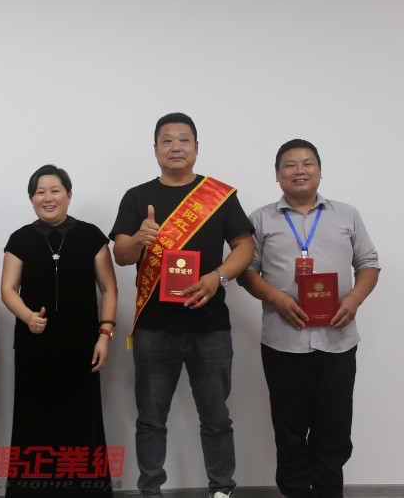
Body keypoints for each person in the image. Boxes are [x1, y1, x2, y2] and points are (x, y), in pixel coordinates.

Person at [109, 113, 254, 498]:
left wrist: (217, 277)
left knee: (217, 417)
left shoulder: (219, 195)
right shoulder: (136, 197)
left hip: (210, 326)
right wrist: (138, 239)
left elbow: (245, 246)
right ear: (155, 149)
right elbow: (120, 255)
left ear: (196, 147)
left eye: (184, 140)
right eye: (167, 140)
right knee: (150, 419)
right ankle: (150, 490)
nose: (176, 147)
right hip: (154, 328)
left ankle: (221, 489)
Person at [239, 139, 380, 497]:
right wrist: (276, 298)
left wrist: (354, 300)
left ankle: (329, 492)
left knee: (334, 429)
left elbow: (368, 262)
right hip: (283, 342)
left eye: (307, 163)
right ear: (277, 174)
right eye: (289, 165)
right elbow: (246, 271)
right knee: (289, 430)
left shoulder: (346, 214)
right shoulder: (260, 218)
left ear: (319, 170)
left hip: (337, 341)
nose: (299, 171)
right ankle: (295, 491)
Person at [0, 164, 118, 497]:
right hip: (34, 347)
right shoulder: (20, 239)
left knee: (81, 422)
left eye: (55, 191)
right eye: (40, 192)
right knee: (34, 422)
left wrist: (105, 335)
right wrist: (27, 316)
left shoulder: (91, 236)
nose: (48, 198)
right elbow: (7, 289)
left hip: (82, 347)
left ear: (69, 195)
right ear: (31, 199)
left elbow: (109, 288)